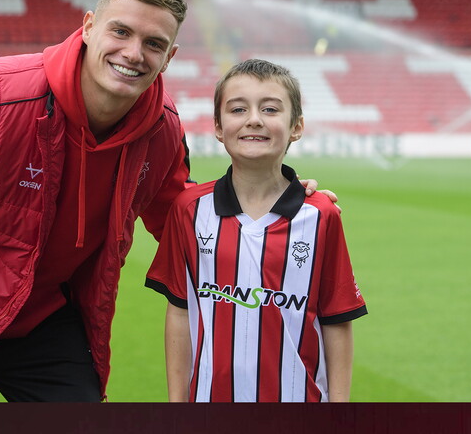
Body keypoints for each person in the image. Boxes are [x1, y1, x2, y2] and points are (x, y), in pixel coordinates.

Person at [0, 0, 338, 403]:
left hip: (46, 318)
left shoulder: (162, 129)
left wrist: (275, 198)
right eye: (121, 31)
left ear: (170, 56)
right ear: (89, 26)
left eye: (154, 43)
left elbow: (184, 217)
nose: (134, 54)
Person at [145, 58, 366, 402]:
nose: (254, 119)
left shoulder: (321, 215)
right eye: (237, 109)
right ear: (218, 127)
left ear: (297, 126)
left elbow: (336, 320)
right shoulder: (189, 209)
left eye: (270, 109)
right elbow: (179, 311)